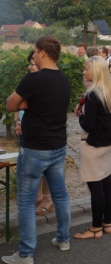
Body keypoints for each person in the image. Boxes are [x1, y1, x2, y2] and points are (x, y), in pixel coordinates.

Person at [4, 36, 71, 263]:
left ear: (42, 52)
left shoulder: (33, 79)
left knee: (25, 200)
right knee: (60, 195)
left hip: (34, 148)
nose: (32, 55)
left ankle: (25, 254)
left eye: (34, 51)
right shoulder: (64, 78)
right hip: (58, 145)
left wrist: (22, 103)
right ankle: (63, 239)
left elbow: (10, 104)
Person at [72, 56, 111, 240]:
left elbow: (88, 125)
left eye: (87, 69)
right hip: (108, 143)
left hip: (92, 145)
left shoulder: (93, 95)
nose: (84, 72)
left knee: (96, 187)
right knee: (106, 182)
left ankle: (95, 228)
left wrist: (80, 115)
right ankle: (107, 223)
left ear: (96, 71)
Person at [13, 52, 54, 216]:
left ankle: (48, 198)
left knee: (45, 167)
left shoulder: (49, 83)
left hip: (41, 133)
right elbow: (16, 102)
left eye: (33, 64)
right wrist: (17, 121)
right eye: (30, 64)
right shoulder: (28, 81)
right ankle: (37, 195)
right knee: (31, 166)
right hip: (25, 129)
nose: (30, 67)